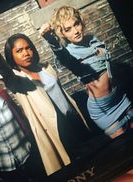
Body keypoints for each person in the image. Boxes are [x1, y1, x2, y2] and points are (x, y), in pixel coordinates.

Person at [0, 31, 90, 176]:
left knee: (93, 161)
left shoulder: (45, 67)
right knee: (73, 171)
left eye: (28, 48)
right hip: (54, 130)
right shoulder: (15, 79)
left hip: (73, 119)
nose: (26, 53)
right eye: (19, 50)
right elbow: (5, 72)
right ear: (11, 56)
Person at [40, 5, 133, 139]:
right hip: (103, 109)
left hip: (120, 97)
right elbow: (62, 55)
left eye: (76, 24)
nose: (76, 31)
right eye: (68, 29)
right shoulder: (69, 53)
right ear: (62, 34)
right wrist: (50, 39)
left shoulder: (92, 40)